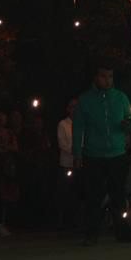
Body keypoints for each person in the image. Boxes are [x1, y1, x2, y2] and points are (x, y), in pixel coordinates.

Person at [73, 63, 131, 244]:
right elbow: (78, 128)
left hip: (117, 153)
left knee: (118, 195)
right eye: (103, 76)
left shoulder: (120, 97)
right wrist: (77, 153)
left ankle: (123, 232)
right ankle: (91, 234)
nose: (107, 80)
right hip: (93, 155)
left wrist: (129, 124)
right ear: (96, 77)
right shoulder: (85, 100)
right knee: (94, 195)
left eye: (110, 76)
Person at [56, 98, 78, 231]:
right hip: (67, 164)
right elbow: (63, 144)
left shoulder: (83, 124)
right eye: (72, 107)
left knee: (76, 195)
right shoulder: (63, 124)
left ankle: (76, 222)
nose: (75, 109)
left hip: (79, 164)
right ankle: (64, 224)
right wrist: (77, 152)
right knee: (66, 194)